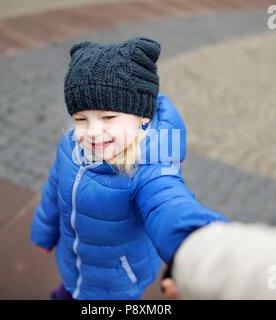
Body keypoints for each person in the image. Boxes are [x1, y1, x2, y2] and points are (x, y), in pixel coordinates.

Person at [30, 36, 228, 300]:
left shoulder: (149, 169)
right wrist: (45, 231)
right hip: (74, 266)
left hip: (118, 283)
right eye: (80, 119)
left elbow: (168, 205)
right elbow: (54, 189)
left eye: (108, 117)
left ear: (142, 115)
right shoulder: (70, 146)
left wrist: (198, 249)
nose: (93, 132)